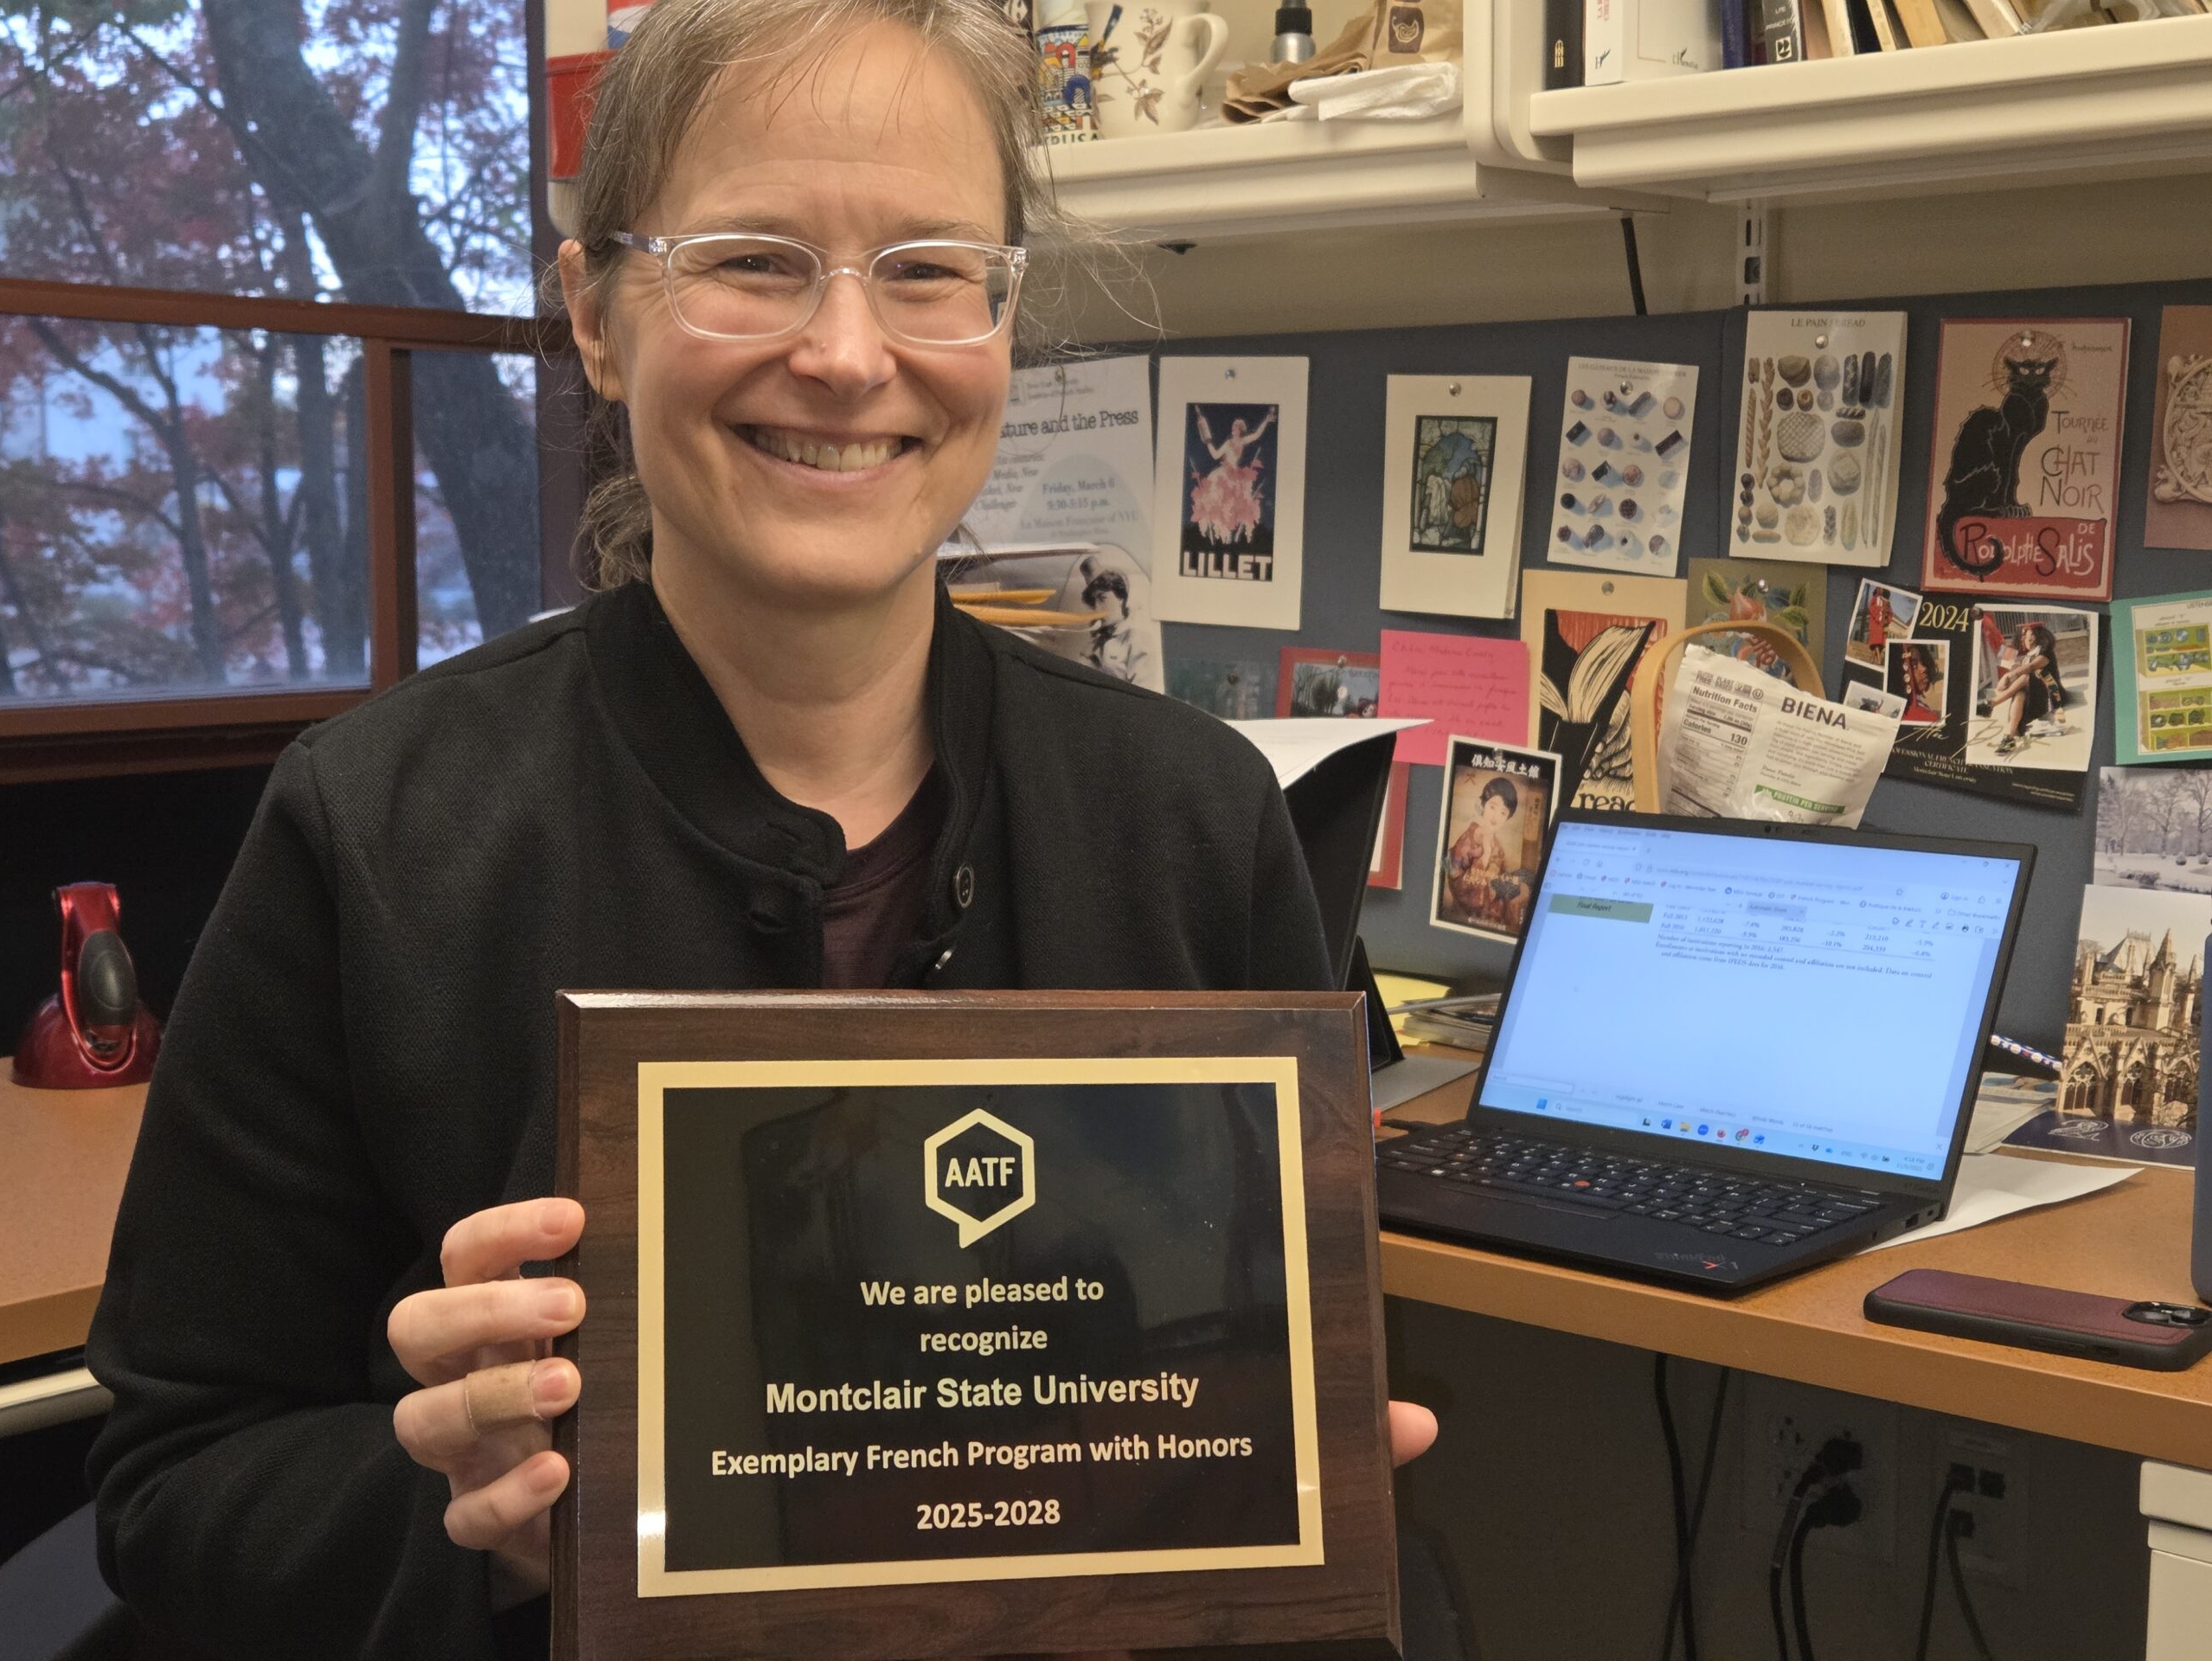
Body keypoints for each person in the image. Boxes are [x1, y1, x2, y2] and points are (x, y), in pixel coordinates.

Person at [82, 3, 1433, 1657]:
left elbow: (1290, 1441)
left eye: (929, 269)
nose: (849, 356)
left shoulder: (1195, 820)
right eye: (751, 261)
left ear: (1003, 319)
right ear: (596, 317)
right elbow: (174, 1483)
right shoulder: (375, 832)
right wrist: (474, 1517)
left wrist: (1292, 1505)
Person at [1444, 776, 1532, 935]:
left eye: (1503, 812)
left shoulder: (1498, 846)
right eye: (1492, 807)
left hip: (1493, 916)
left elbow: (1502, 879)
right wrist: (1484, 858)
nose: (1496, 816)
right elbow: (1455, 880)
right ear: (1483, 805)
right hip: (1467, 917)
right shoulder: (1467, 839)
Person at [1187, 407, 1275, 547]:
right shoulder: (1228, 443)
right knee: (1219, 502)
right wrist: (1208, 443)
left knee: (1233, 505)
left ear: (1240, 430)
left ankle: (1228, 538)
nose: (1233, 429)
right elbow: (1215, 455)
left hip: (1235, 476)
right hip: (1223, 474)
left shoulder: (1242, 441)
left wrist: (1266, 421)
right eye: (1233, 427)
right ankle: (1220, 536)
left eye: (1235, 427)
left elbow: (1257, 434)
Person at [1984, 620, 2065, 755]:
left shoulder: (2046, 653)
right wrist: (2009, 671)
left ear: (2035, 638)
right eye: (2022, 635)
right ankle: (2009, 738)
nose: (2022, 638)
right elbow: (2006, 659)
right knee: (2020, 692)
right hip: (2033, 700)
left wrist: (2009, 676)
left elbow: (2031, 667)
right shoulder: (2025, 657)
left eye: (2025, 635)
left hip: (2051, 696)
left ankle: (1991, 704)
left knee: (2025, 677)